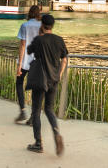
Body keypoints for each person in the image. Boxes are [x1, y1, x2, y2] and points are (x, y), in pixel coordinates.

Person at [25, 14, 67, 155]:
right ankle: (56, 131)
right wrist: (59, 75)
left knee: (36, 111)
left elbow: (29, 51)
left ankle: (38, 144)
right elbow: (65, 60)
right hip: (54, 80)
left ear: (42, 25)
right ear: (53, 26)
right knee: (49, 109)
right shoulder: (59, 40)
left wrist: (39, 36)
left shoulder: (39, 40)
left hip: (40, 80)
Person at [15, 5, 42, 124]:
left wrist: (19, 64)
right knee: (36, 89)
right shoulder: (42, 26)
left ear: (29, 13)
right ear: (38, 14)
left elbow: (22, 45)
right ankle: (33, 117)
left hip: (25, 61)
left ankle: (22, 110)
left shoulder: (24, 26)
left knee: (19, 83)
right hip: (37, 61)